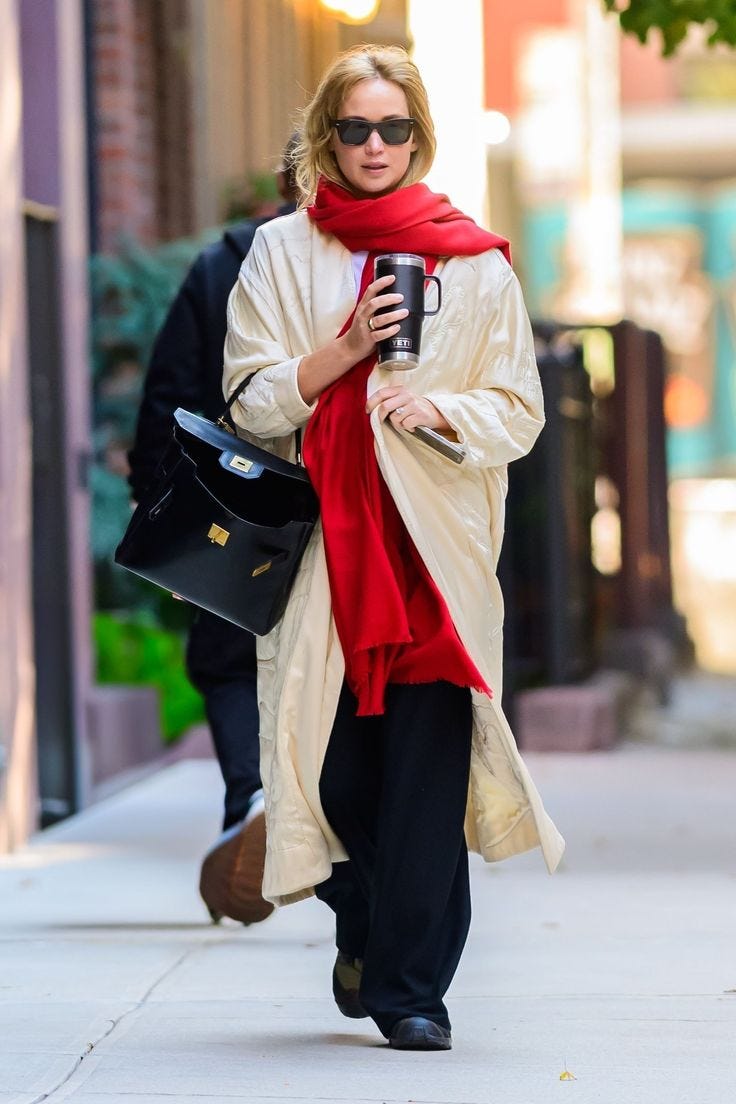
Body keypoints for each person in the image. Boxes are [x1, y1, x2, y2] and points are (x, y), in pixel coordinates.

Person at [222, 44, 565, 1051]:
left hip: (433, 553)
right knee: (330, 777)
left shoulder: (473, 259)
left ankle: (412, 990)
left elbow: (519, 410)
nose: (374, 146)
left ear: (420, 137)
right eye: (355, 128)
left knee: (424, 776)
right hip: (324, 549)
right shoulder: (282, 254)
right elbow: (247, 402)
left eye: (394, 129)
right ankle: (368, 930)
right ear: (327, 136)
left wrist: (440, 408)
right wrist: (343, 353)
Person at [127, 140, 300, 926]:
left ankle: (253, 799)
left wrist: (163, 506)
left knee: (230, 661)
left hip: (238, 512)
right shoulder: (391, 268)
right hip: (339, 510)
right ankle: (294, 825)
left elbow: (168, 394)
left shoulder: (224, 262)